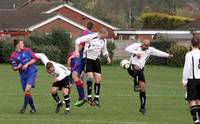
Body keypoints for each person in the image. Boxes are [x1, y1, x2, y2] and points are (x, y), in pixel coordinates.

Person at [125, 39, 173, 114]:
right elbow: (127, 48)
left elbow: (158, 53)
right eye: (145, 46)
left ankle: (142, 108)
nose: (146, 48)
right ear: (142, 43)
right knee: (137, 68)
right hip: (132, 68)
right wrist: (136, 52)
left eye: (147, 46)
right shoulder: (136, 45)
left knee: (143, 87)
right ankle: (136, 85)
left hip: (140, 70)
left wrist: (168, 55)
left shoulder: (150, 50)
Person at [74, 28, 111, 107]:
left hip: (96, 60)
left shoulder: (104, 41)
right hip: (88, 59)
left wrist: (107, 57)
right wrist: (76, 51)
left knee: (98, 78)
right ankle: (89, 97)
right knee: (90, 77)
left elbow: (104, 51)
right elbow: (77, 40)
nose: (106, 38)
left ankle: (96, 99)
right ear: (101, 33)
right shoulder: (91, 37)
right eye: (105, 36)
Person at [67, 22, 94, 107]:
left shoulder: (85, 32)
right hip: (89, 57)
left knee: (74, 75)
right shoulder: (92, 34)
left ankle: (83, 97)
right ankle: (85, 97)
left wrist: (75, 52)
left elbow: (81, 44)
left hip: (81, 57)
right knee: (81, 76)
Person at [10, 39, 38, 114]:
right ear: (17, 45)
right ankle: (33, 109)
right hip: (23, 75)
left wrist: (27, 64)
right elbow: (14, 68)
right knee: (27, 92)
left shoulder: (27, 50)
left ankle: (24, 108)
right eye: (21, 43)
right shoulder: (13, 55)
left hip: (31, 72)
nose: (23, 45)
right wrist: (18, 67)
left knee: (27, 90)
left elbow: (35, 58)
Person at [182, 38, 200, 124]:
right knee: (199, 100)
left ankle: (196, 120)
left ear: (191, 44)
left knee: (192, 100)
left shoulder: (189, 54)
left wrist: (184, 80)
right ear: (199, 44)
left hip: (192, 79)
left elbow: (187, 68)